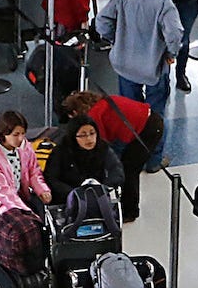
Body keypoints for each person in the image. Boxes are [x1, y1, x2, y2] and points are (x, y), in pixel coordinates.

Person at [93, 0, 185, 168]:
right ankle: (153, 159)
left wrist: (115, 40)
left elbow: (101, 21)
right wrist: (171, 53)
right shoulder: (164, 4)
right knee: (155, 114)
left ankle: (128, 154)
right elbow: (174, 34)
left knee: (127, 113)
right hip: (152, 68)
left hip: (124, 65)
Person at [62, 89, 163, 222]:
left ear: (75, 112)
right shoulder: (103, 101)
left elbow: (99, 144)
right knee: (126, 164)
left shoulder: (94, 116)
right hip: (150, 121)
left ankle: (130, 211)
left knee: (129, 170)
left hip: (146, 131)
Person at [44, 111, 126, 206]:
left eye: (92, 133)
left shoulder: (103, 147)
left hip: (98, 197)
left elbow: (116, 170)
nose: (89, 139)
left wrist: (104, 188)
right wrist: (73, 193)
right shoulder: (61, 151)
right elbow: (51, 178)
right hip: (68, 200)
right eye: (83, 135)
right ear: (74, 136)